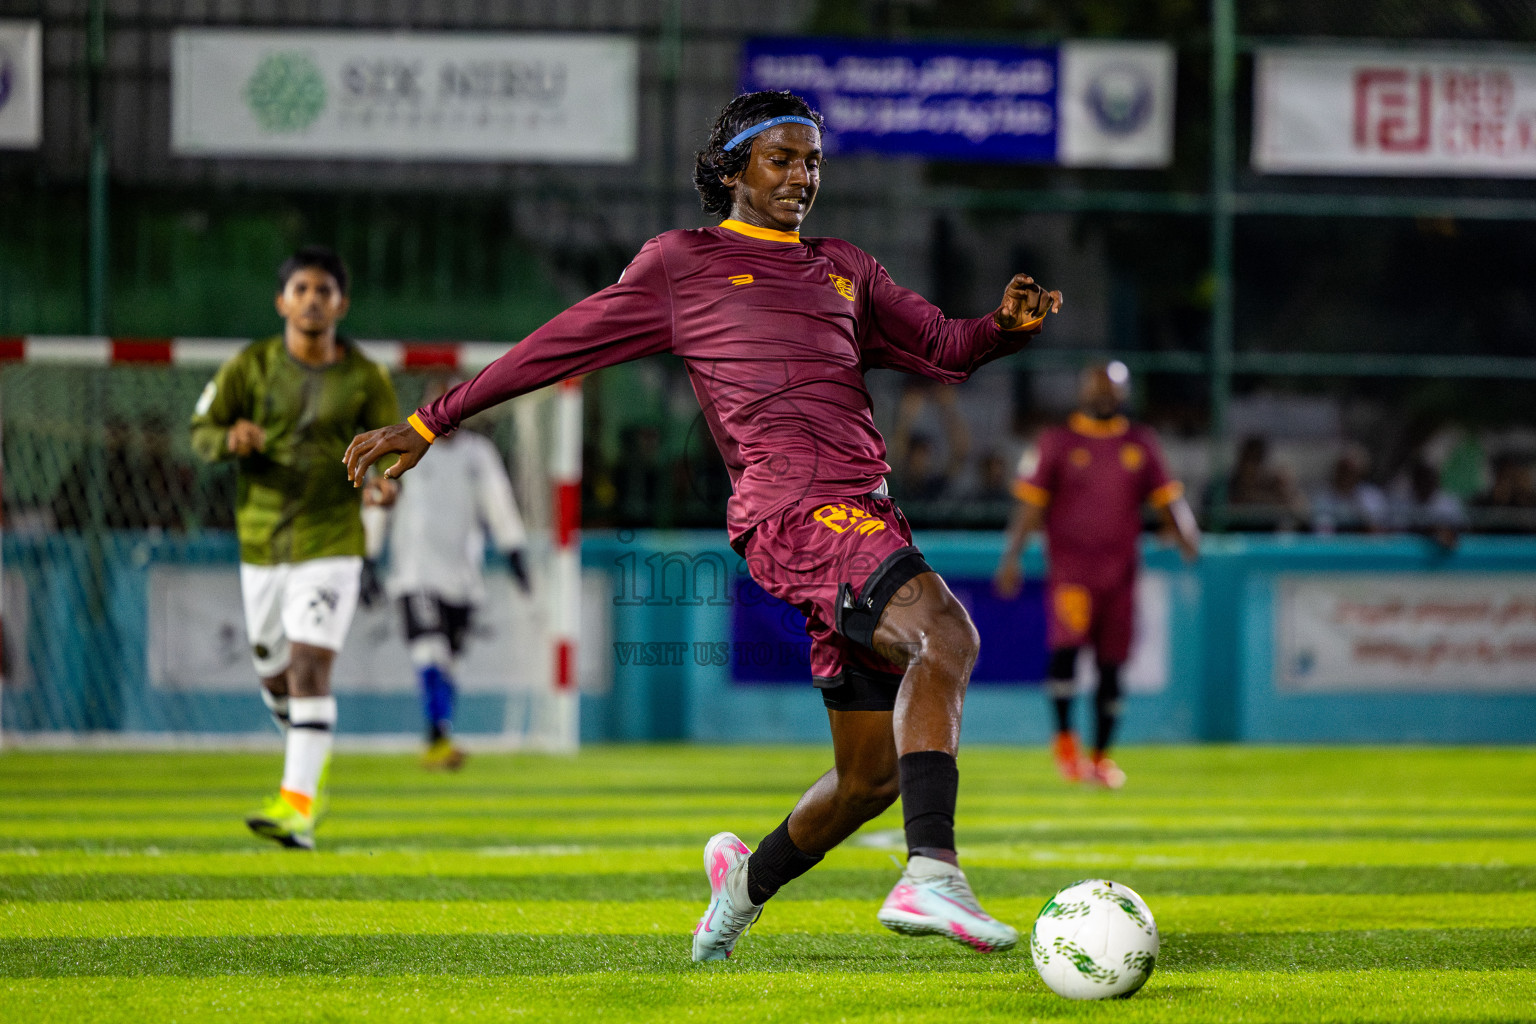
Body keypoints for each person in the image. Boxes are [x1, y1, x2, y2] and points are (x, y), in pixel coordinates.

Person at [343, 90, 1061, 961]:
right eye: (782, 159)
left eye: (813, 162)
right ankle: (932, 874)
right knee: (946, 633)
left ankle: (740, 889)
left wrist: (1002, 330)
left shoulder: (846, 268)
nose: (803, 176)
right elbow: (557, 344)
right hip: (793, 509)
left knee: (868, 778)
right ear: (732, 169)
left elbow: (945, 347)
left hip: (862, 508)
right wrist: (431, 420)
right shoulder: (682, 265)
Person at [190, 245, 399, 850]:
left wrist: (384, 490)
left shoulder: (365, 377)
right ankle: (310, 758)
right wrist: (230, 437)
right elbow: (200, 430)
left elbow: (389, 459)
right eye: (301, 289)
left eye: (324, 290)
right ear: (283, 301)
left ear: (342, 304)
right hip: (261, 540)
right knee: (275, 677)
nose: (313, 300)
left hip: (332, 538)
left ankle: (298, 806)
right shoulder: (248, 368)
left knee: (311, 665)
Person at [993, 362, 1199, 789]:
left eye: (1112, 388)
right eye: (1096, 388)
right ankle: (1066, 742)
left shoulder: (1139, 443)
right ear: (1083, 391)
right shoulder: (1058, 442)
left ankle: (1102, 758)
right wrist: (1011, 556)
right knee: (1066, 653)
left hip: (1120, 576)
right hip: (1072, 573)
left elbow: (1167, 497)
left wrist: (1186, 534)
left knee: (1112, 666)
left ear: (1124, 394)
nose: (1103, 395)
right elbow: (1031, 505)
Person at [385, 376, 532, 770]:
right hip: (416, 573)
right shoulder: (409, 448)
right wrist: (367, 554)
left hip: (463, 577)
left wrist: (514, 549)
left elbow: (498, 502)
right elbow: (379, 500)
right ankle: (439, 736)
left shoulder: (477, 454)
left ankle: (437, 736)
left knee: (448, 660)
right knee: (429, 648)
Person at [1310, 447, 1389, 535]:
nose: (1347, 475)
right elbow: (1321, 532)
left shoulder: (1372, 496)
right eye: (1343, 469)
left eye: (1352, 471)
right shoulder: (1323, 498)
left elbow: (1377, 530)